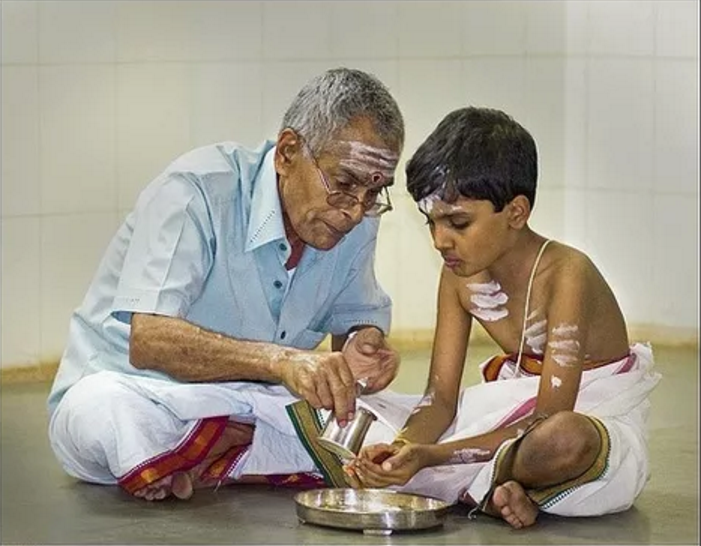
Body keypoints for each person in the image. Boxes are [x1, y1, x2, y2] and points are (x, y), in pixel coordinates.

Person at [47, 68, 404, 501]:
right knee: (104, 412)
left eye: (375, 192)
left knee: (399, 432)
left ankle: (207, 453)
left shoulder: (358, 219)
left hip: (259, 404)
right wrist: (280, 362)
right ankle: (231, 448)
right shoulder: (196, 192)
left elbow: (353, 320)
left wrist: (363, 344)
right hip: (146, 391)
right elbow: (150, 340)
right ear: (287, 153)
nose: (353, 211)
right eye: (344, 184)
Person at [342, 107, 661, 529]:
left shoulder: (567, 274)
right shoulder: (459, 275)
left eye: (458, 222)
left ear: (516, 213)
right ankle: (505, 492)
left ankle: (492, 486)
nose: (440, 241)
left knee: (563, 441)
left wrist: (430, 456)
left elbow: (547, 418)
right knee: (359, 420)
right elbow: (438, 401)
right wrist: (402, 450)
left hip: (587, 428)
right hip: (511, 423)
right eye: (431, 222)